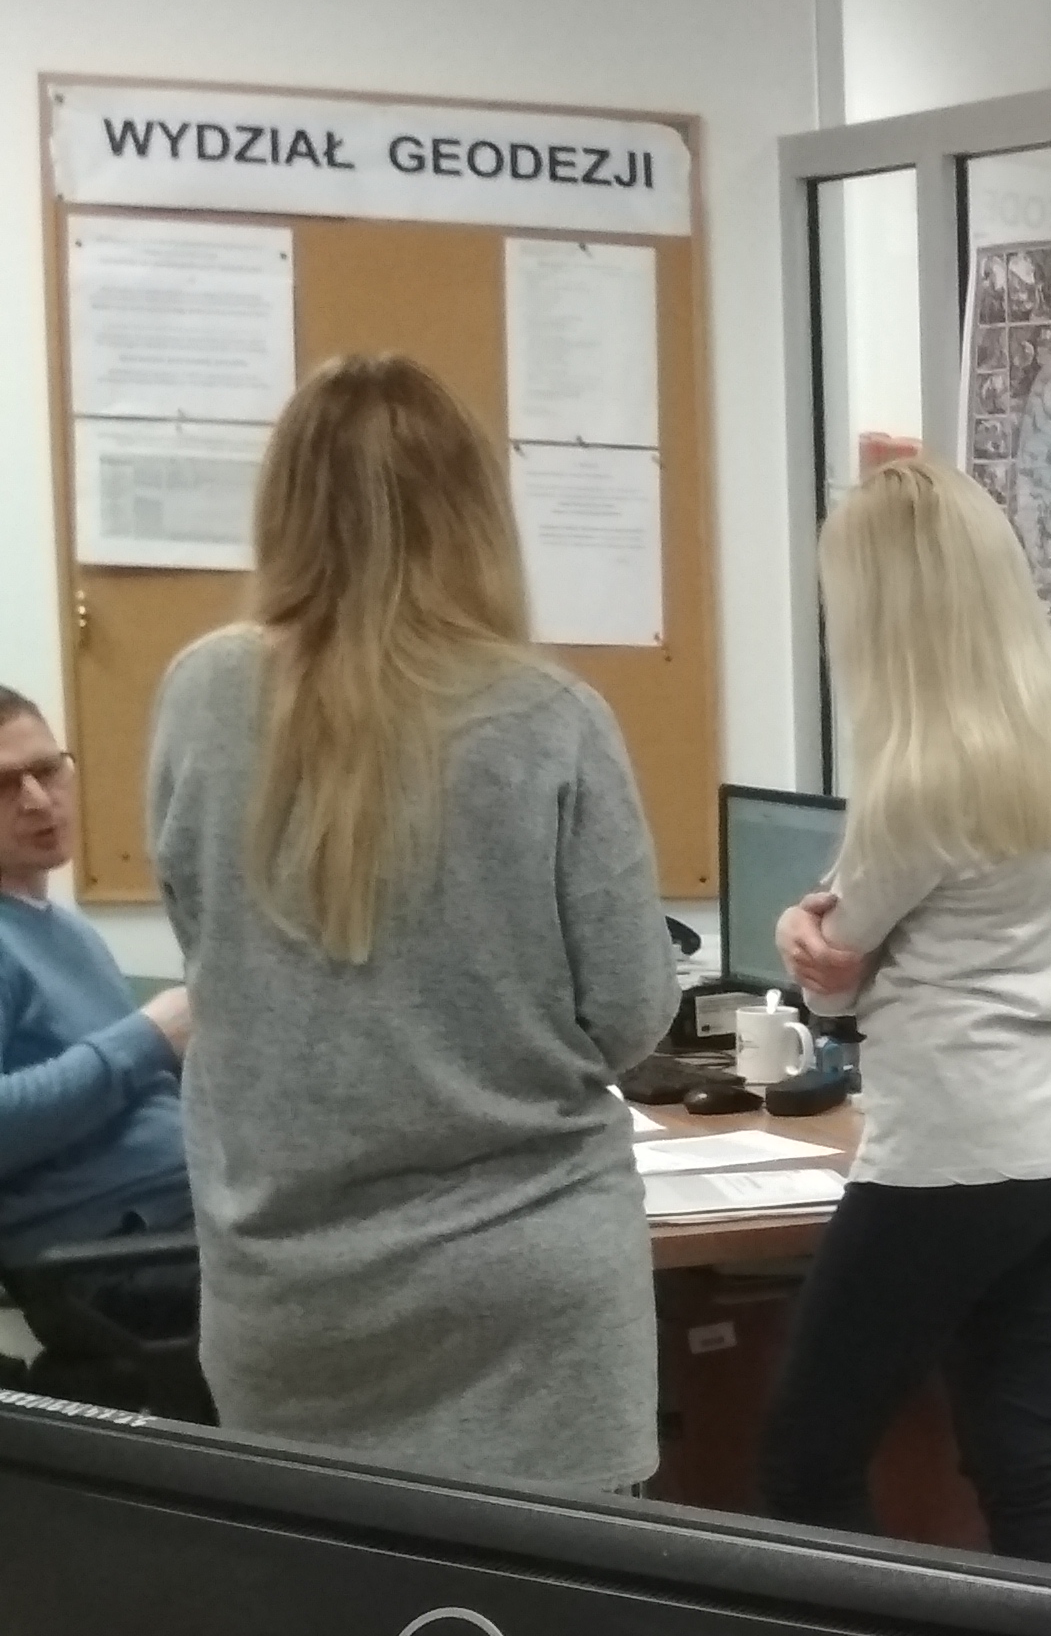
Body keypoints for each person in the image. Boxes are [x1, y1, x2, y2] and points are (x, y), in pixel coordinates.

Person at [146, 355, 673, 1493]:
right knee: (553, 1607)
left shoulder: (200, 696)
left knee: (317, 1598)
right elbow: (632, 1012)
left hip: (290, 1293)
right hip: (529, 1288)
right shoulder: (549, 717)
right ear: (476, 512)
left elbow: (205, 947)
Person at [757, 458, 1051, 1565]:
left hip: (945, 1162)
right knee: (1024, 1471)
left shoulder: (924, 788)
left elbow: (833, 968)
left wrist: (800, 936)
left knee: (805, 1463)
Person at [0, 687, 195, 1299]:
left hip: (181, 1218)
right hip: (109, 1258)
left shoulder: (68, 932)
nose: (37, 800)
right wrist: (149, 1036)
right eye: (3, 785)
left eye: (46, 770)